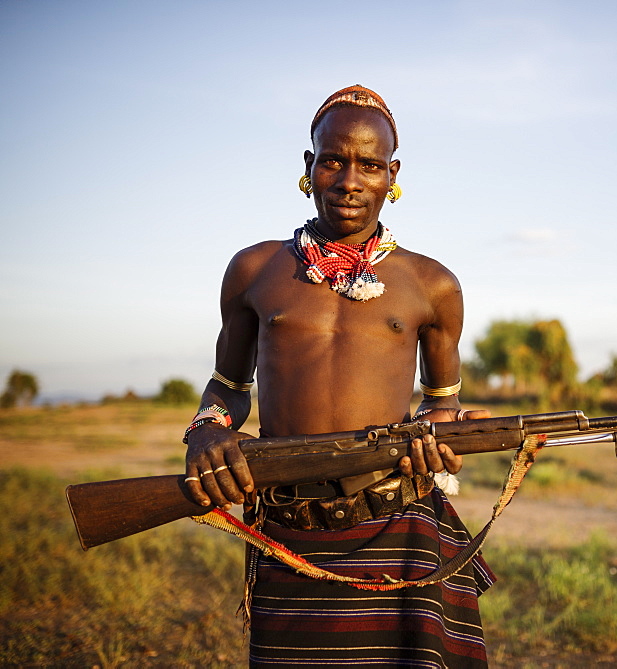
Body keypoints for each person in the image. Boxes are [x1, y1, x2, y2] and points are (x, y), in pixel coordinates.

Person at [181, 85, 494, 668]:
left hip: (395, 521)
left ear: (392, 175)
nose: (350, 181)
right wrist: (206, 429)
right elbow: (227, 387)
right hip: (286, 522)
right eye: (334, 160)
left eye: (370, 165)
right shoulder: (256, 270)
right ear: (309, 167)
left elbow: (441, 405)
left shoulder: (433, 285)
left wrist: (445, 434)